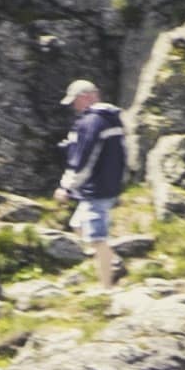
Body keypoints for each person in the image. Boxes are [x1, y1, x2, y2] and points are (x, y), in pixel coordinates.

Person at [54, 78, 132, 274]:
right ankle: (112, 261)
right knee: (77, 224)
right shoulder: (111, 118)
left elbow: (84, 159)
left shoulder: (92, 121)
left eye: (75, 100)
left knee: (97, 239)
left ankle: (107, 288)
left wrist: (67, 187)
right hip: (108, 184)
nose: (73, 105)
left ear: (86, 97)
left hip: (97, 188)